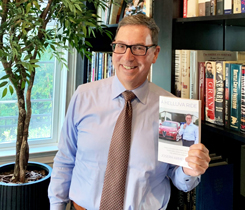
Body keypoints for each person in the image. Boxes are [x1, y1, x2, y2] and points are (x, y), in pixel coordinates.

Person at [48, 14, 210, 210]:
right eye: (121, 46)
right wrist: (56, 206)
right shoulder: (84, 96)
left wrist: (189, 169)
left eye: (139, 48)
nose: (127, 56)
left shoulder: (171, 109)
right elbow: (65, 159)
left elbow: (180, 180)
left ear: (155, 54)